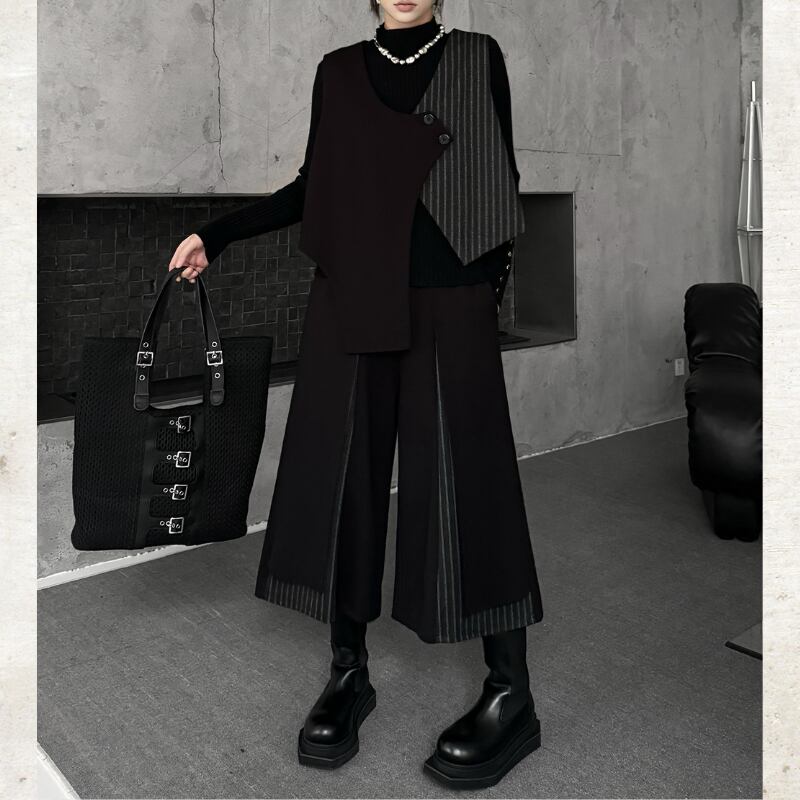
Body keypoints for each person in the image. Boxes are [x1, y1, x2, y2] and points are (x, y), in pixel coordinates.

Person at [168, 0, 544, 790]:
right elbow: (316, 187)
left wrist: (479, 295)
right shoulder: (338, 73)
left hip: (449, 300)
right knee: (342, 483)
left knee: (472, 483)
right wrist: (219, 233)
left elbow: (500, 182)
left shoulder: (478, 56)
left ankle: (511, 692)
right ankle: (348, 671)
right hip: (350, 299)